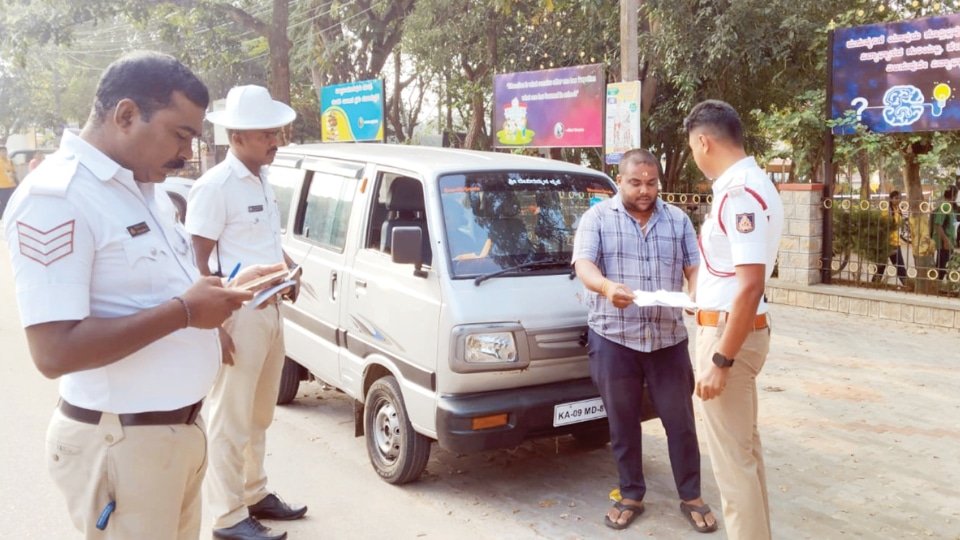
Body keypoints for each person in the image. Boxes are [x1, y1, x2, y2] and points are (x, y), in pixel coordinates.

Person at [1, 51, 282, 539]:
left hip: (174, 439)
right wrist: (186, 313)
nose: (186, 154)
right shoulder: (59, 198)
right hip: (123, 443)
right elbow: (53, 350)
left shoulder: (143, 189)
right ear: (126, 115)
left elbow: (162, 291)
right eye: (180, 136)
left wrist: (220, 300)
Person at [572, 148, 718, 533]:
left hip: (667, 340)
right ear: (619, 180)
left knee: (680, 421)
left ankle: (691, 495)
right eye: (635, 182)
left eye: (651, 183)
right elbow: (583, 265)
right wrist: (605, 287)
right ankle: (631, 493)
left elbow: (693, 266)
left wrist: (694, 295)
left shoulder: (678, 219)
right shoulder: (597, 218)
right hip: (613, 338)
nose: (644, 190)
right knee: (622, 423)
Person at [186, 85, 305, 540]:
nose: (276, 140)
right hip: (238, 315)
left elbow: (261, 243)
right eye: (266, 134)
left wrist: (288, 270)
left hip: (270, 310)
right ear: (236, 137)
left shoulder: (260, 178)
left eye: (276, 132)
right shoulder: (214, 186)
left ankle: (254, 493)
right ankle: (228, 517)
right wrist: (215, 326)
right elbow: (194, 263)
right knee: (229, 419)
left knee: (259, 415)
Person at [683, 99, 784, 540]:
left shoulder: (738, 191)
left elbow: (749, 284)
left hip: (730, 336)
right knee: (745, 453)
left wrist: (720, 359)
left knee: (732, 464)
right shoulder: (755, 182)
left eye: (691, 147)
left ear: (703, 141)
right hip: (737, 328)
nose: (694, 154)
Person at [873, 190, 907, 287]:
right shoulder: (887, 211)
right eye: (896, 198)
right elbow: (882, 227)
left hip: (895, 241)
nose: (898, 200)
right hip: (889, 243)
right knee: (898, 266)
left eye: (900, 198)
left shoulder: (897, 209)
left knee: (883, 266)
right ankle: (907, 284)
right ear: (891, 199)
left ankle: (874, 283)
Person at [933, 185, 958, 280]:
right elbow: (937, 225)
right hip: (944, 242)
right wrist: (945, 240)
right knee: (942, 267)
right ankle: (936, 286)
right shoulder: (945, 206)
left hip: (949, 241)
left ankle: (939, 286)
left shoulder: (950, 206)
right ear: (954, 195)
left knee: (945, 266)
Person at [0, 146, 16, 216]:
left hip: (12, 185)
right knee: (3, 204)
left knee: (12, 203)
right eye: (2, 151)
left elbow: (14, 171)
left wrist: (13, 174)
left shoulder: (10, 161)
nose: (4, 153)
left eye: (5, 151)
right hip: (2, 186)